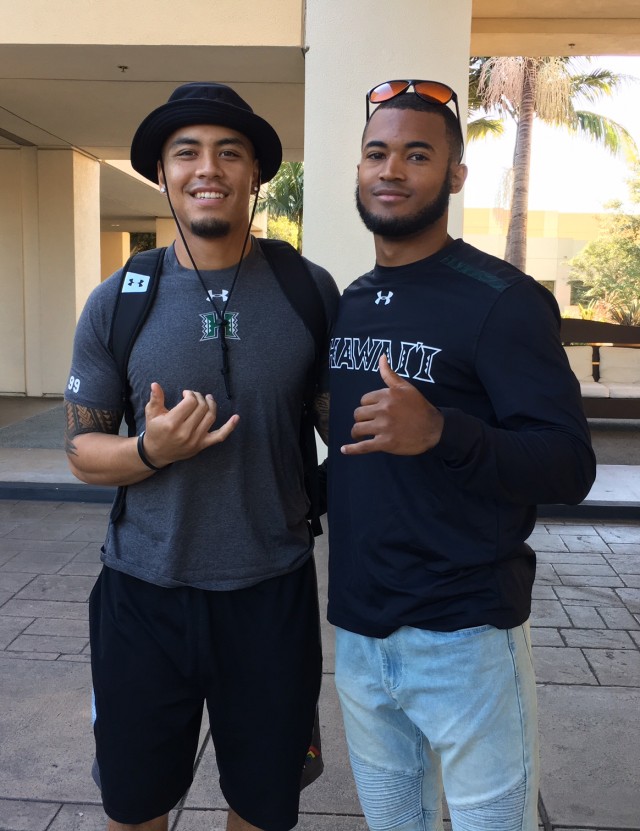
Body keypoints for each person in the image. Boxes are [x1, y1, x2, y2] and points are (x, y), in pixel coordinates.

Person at [64, 82, 339, 831]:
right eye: (186, 152)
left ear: (256, 173)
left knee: (262, 806)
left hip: (271, 596)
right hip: (142, 598)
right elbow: (83, 451)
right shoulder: (120, 298)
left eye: (229, 152)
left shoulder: (307, 290)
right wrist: (149, 449)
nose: (207, 168)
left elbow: (346, 437)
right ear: (162, 171)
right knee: (134, 806)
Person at [327, 80, 596, 831]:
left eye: (417, 155)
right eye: (377, 153)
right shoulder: (351, 300)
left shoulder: (501, 299)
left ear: (454, 176)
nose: (391, 169)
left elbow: (568, 464)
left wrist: (443, 431)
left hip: (464, 637)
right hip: (359, 632)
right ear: (359, 169)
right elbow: (358, 460)